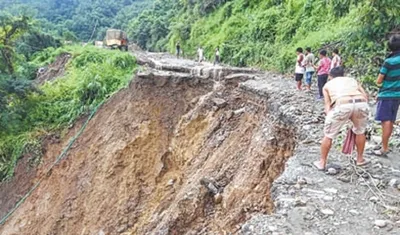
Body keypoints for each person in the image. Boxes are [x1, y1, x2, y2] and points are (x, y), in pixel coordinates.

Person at [313, 66, 370, 170]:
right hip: (361, 103)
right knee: (360, 131)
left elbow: (327, 105)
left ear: (330, 76)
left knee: (328, 135)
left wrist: (330, 117)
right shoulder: (352, 80)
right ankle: (360, 159)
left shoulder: (327, 85)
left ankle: (322, 162)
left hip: (342, 104)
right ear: (343, 74)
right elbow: (365, 96)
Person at [374, 34, 400, 157]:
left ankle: (384, 148)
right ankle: (385, 145)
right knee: (391, 120)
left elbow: (379, 81)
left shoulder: (389, 62)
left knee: (386, 121)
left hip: (387, 94)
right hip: (398, 95)